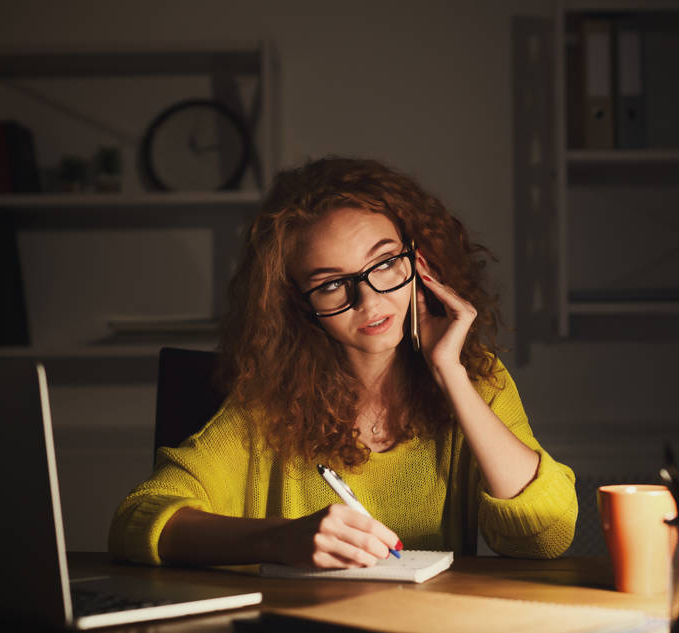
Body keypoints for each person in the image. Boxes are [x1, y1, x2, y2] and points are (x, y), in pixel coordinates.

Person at [108, 156, 577, 568]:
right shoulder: (269, 405)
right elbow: (137, 517)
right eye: (332, 284)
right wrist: (279, 540)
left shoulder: (476, 379)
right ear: (298, 303)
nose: (369, 301)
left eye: (385, 263)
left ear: (421, 263)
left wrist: (450, 374)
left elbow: (546, 535)